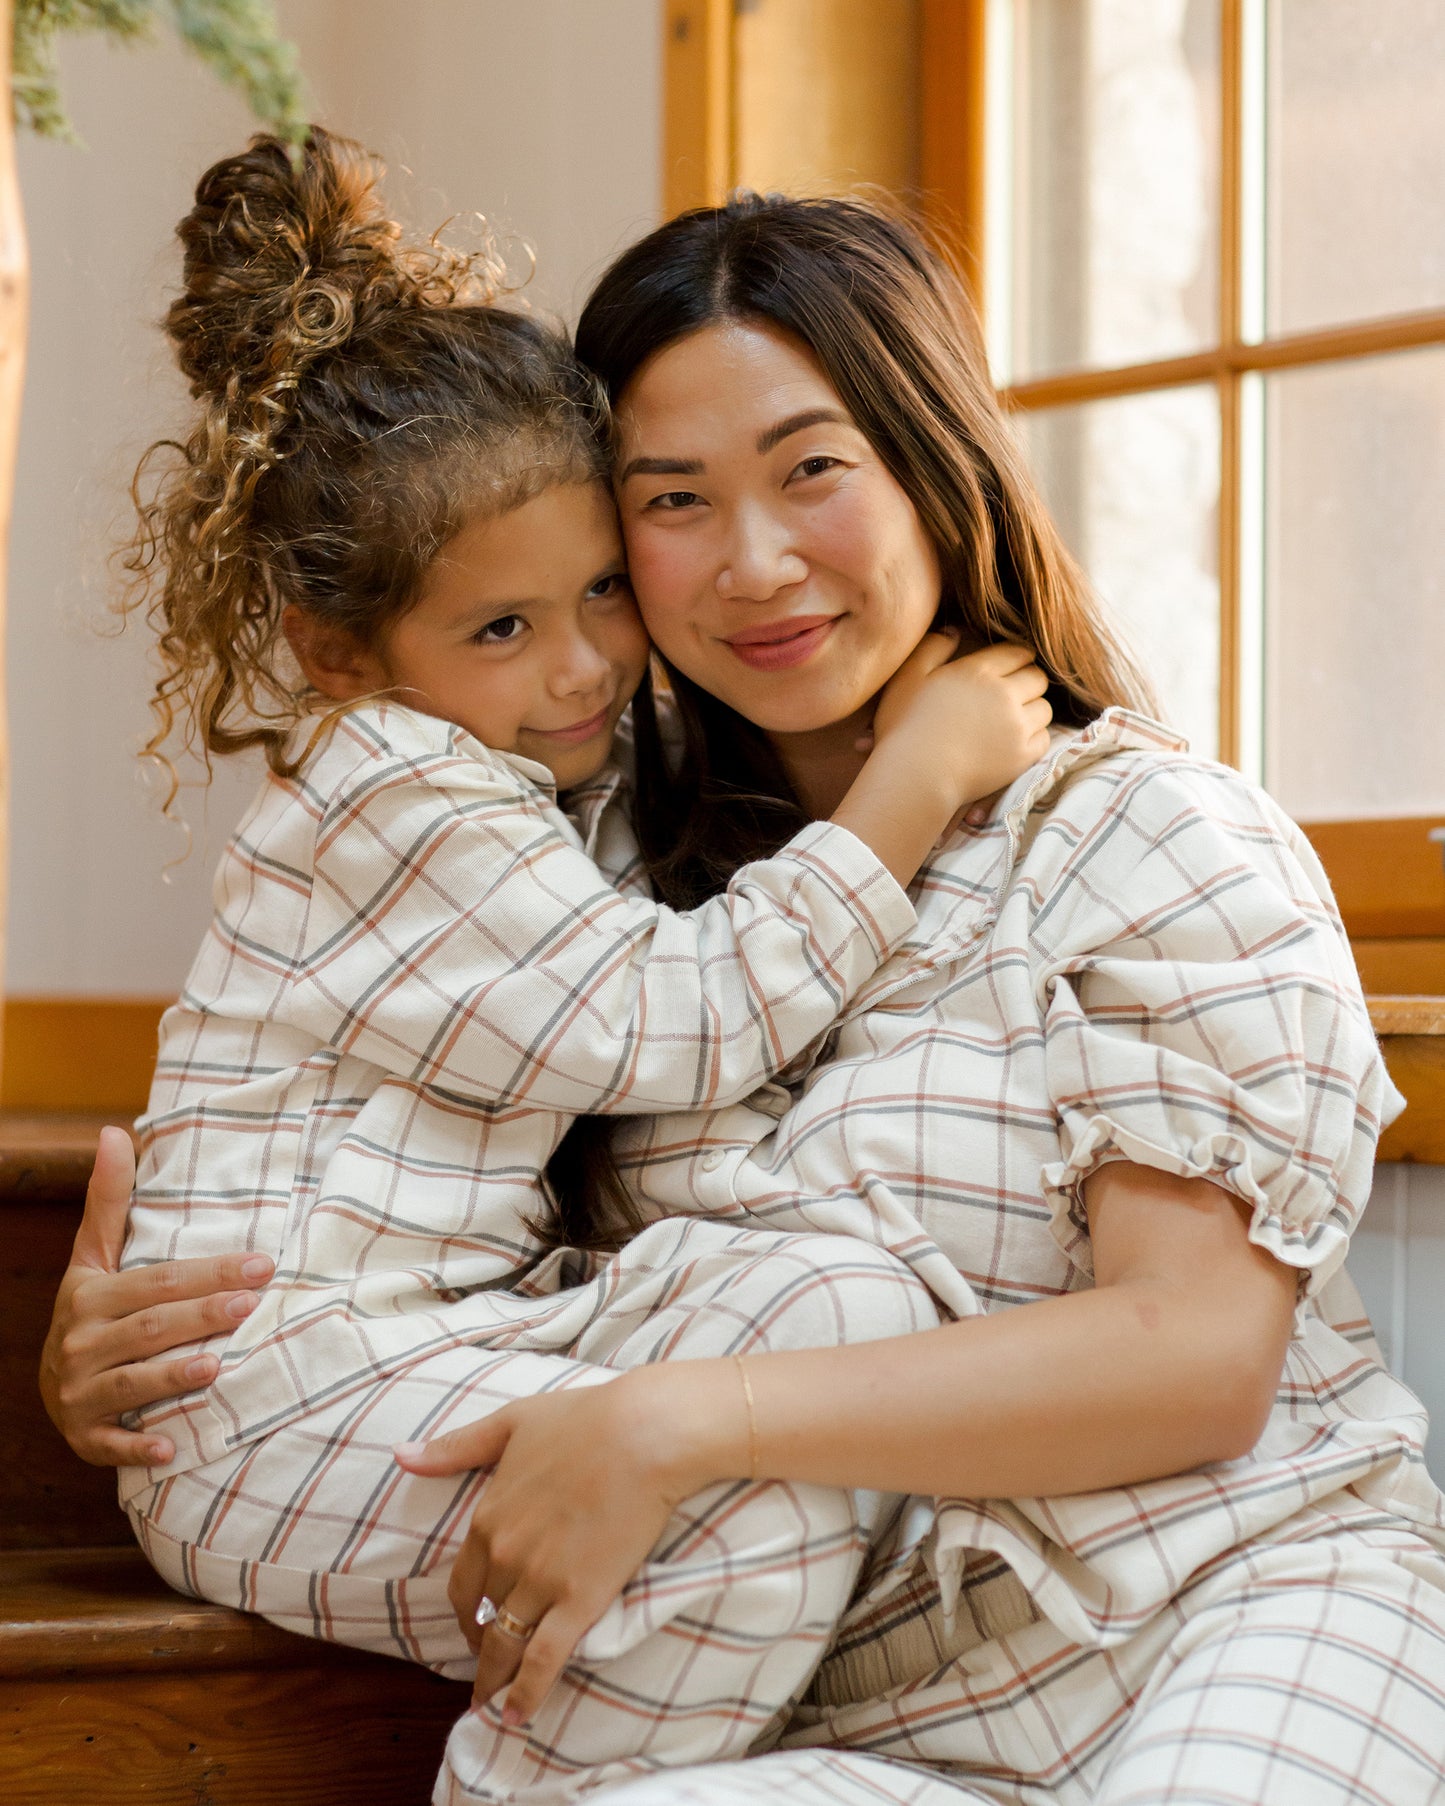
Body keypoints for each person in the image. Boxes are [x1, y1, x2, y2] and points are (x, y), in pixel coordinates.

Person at [44, 185, 1445, 1806]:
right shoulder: (585, 859)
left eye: (810, 470)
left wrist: (688, 1419)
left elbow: (1196, 1358)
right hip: (866, 1696)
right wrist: (148, 1356)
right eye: (675, 501)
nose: (757, 558)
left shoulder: (1144, 830)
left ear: (933, 462)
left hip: (1224, 1599)